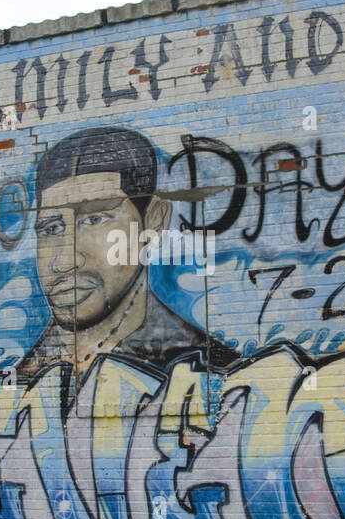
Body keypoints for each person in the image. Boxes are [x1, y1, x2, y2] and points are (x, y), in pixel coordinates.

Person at [16, 125, 239, 378]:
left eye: (95, 219)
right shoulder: (9, 388)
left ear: (154, 220)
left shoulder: (217, 375)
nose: (65, 261)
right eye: (51, 228)